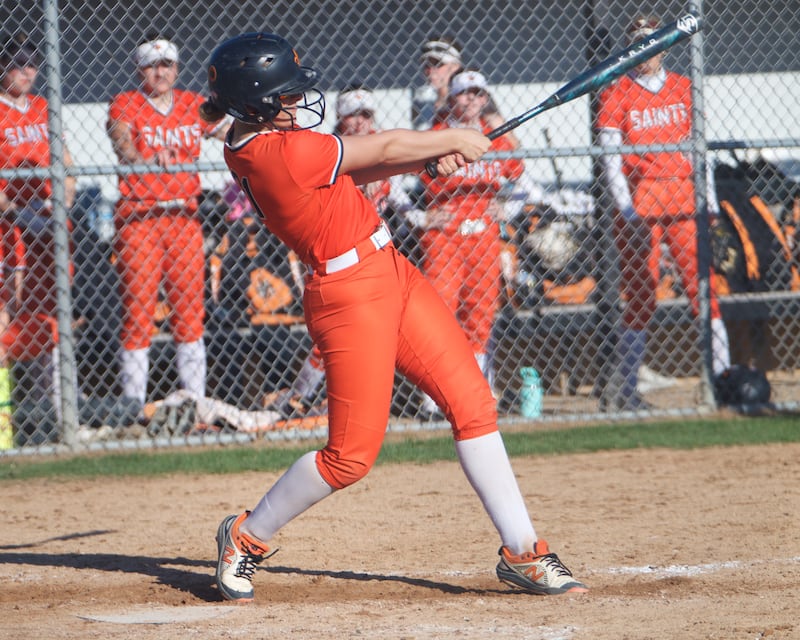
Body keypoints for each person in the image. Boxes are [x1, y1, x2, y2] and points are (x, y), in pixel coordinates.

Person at [200, 32, 587, 602]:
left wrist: (432, 159)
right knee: (350, 458)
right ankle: (246, 535)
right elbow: (378, 150)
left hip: (392, 271)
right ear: (255, 103)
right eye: (284, 96)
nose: (298, 102)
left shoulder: (258, 138)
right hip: (348, 296)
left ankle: (524, 552)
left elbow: (349, 176)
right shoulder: (277, 152)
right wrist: (452, 137)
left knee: (473, 403)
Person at [595, 14, 730, 411]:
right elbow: (610, 160)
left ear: (665, 46)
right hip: (642, 200)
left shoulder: (685, 88)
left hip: (685, 197)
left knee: (703, 289)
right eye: (637, 42)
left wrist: (711, 202)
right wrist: (627, 211)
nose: (645, 50)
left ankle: (721, 380)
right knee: (640, 296)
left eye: (651, 42)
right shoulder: (617, 91)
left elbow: (700, 153)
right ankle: (626, 391)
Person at [106, 33, 227, 413]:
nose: (160, 72)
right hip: (140, 215)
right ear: (139, 69)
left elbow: (226, 130)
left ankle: (195, 404)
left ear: (177, 68)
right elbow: (121, 142)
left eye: (167, 64)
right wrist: (146, 156)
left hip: (184, 216)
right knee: (139, 312)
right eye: (151, 65)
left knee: (190, 313)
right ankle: (134, 408)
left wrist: (262, 134)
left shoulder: (192, 103)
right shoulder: (126, 103)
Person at [418, 68, 525, 399]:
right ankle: (434, 398)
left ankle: (473, 392)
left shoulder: (497, 137)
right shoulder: (435, 135)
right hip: (445, 237)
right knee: (441, 315)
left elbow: (523, 183)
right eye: (465, 93)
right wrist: (421, 218)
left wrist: (507, 209)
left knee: (480, 315)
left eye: (478, 93)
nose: (472, 99)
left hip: (484, 236)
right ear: (452, 97)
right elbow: (397, 188)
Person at [0, 32, 77, 444]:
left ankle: (60, 419)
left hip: (50, 231)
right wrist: (18, 211)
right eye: (17, 62)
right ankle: (4, 428)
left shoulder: (44, 108)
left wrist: (60, 205)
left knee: (52, 320)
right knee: (7, 316)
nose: (26, 70)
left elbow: (66, 164)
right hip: (10, 232)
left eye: (32, 63)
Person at [411, 36, 464, 131]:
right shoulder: (422, 97)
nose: (431, 70)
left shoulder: (467, 95)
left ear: (455, 66)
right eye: (427, 65)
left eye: (438, 64)